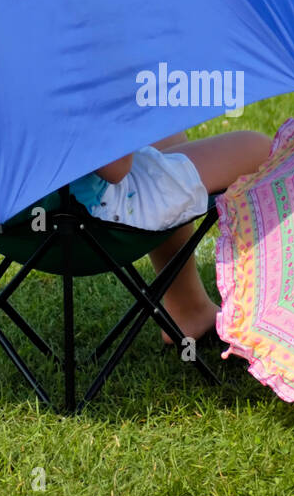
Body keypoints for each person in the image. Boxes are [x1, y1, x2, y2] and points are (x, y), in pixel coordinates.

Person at [68, 129, 271, 342]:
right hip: (96, 213)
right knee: (257, 148)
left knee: (165, 134)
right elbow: (115, 168)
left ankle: (188, 308)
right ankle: (270, 317)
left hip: (37, 220)